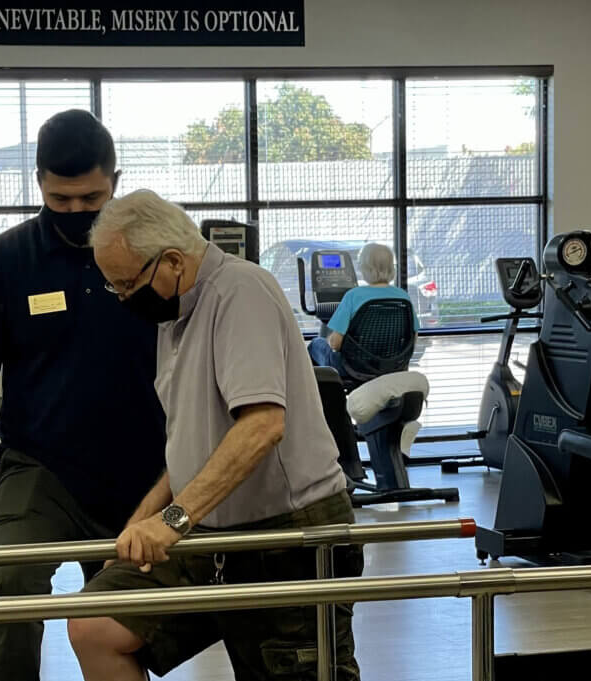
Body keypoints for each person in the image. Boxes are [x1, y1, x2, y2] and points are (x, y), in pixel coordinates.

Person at [68, 189, 363, 681]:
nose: (122, 299)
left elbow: (262, 426)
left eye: (125, 284)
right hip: (210, 534)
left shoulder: (240, 291)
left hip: (285, 536)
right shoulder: (176, 313)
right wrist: (143, 521)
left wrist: (174, 521)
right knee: (96, 623)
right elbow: (196, 443)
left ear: (173, 262)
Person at [0, 111, 166, 681]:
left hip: (140, 468)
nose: (75, 212)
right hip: (38, 464)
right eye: (59, 199)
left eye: (90, 197)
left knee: (119, 615)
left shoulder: (154, 257)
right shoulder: (5, 260)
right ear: (39, 181)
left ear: (116, 180)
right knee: (12, 580)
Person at [309, 242, 419, 377]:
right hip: (393, 366)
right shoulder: (403, 297)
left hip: (353, 368)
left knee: (315, 344)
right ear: (391, 267)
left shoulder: (353, 296)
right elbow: (413, 339)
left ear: (364, 268)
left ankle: (322, 395)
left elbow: (335, 344)